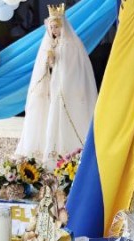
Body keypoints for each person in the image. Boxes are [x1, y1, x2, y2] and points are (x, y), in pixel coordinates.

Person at [15, 3, 97, 170]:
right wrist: (49, 61)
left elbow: (72, 69)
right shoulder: (50, 44)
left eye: (56, 27)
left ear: (62, 27)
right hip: (53, 89)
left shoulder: (70, 45)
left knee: (63, 120)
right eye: (51, 27)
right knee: (50, 118)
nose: (54, 30)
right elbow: (46, 69)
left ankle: (66, 157)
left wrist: (58, 64)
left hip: (66, 90)